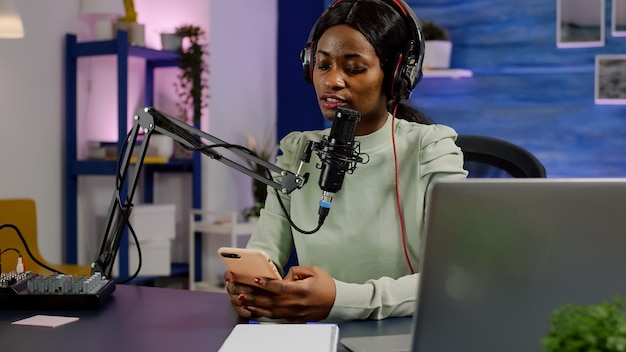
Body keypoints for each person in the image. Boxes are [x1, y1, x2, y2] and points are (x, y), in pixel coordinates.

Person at [225, 0, 468, 323]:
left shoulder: (430, 149)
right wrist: (250, 288)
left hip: (405, 335)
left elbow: (450, 277)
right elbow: (264, 252)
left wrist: (342, 299)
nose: (332, 80)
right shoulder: (299, 151)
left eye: (353, 68)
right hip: (315, 337)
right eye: (323, 65)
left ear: (396, 75)